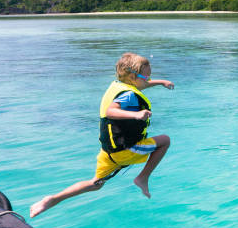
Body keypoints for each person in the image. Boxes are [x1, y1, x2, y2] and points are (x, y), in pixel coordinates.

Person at [30, 52, 174, 218]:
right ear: (134, 76)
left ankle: (52, 200)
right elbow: (111, 111)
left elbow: (141, 85)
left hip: (109, 152)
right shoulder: (128, 95)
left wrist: (161, 82)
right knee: (165, 141)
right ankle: (143, 178)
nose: (149, 80)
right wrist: (136, 115)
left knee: (95, 184)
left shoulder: (119, 86)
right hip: (126, 150)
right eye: (147, 77)